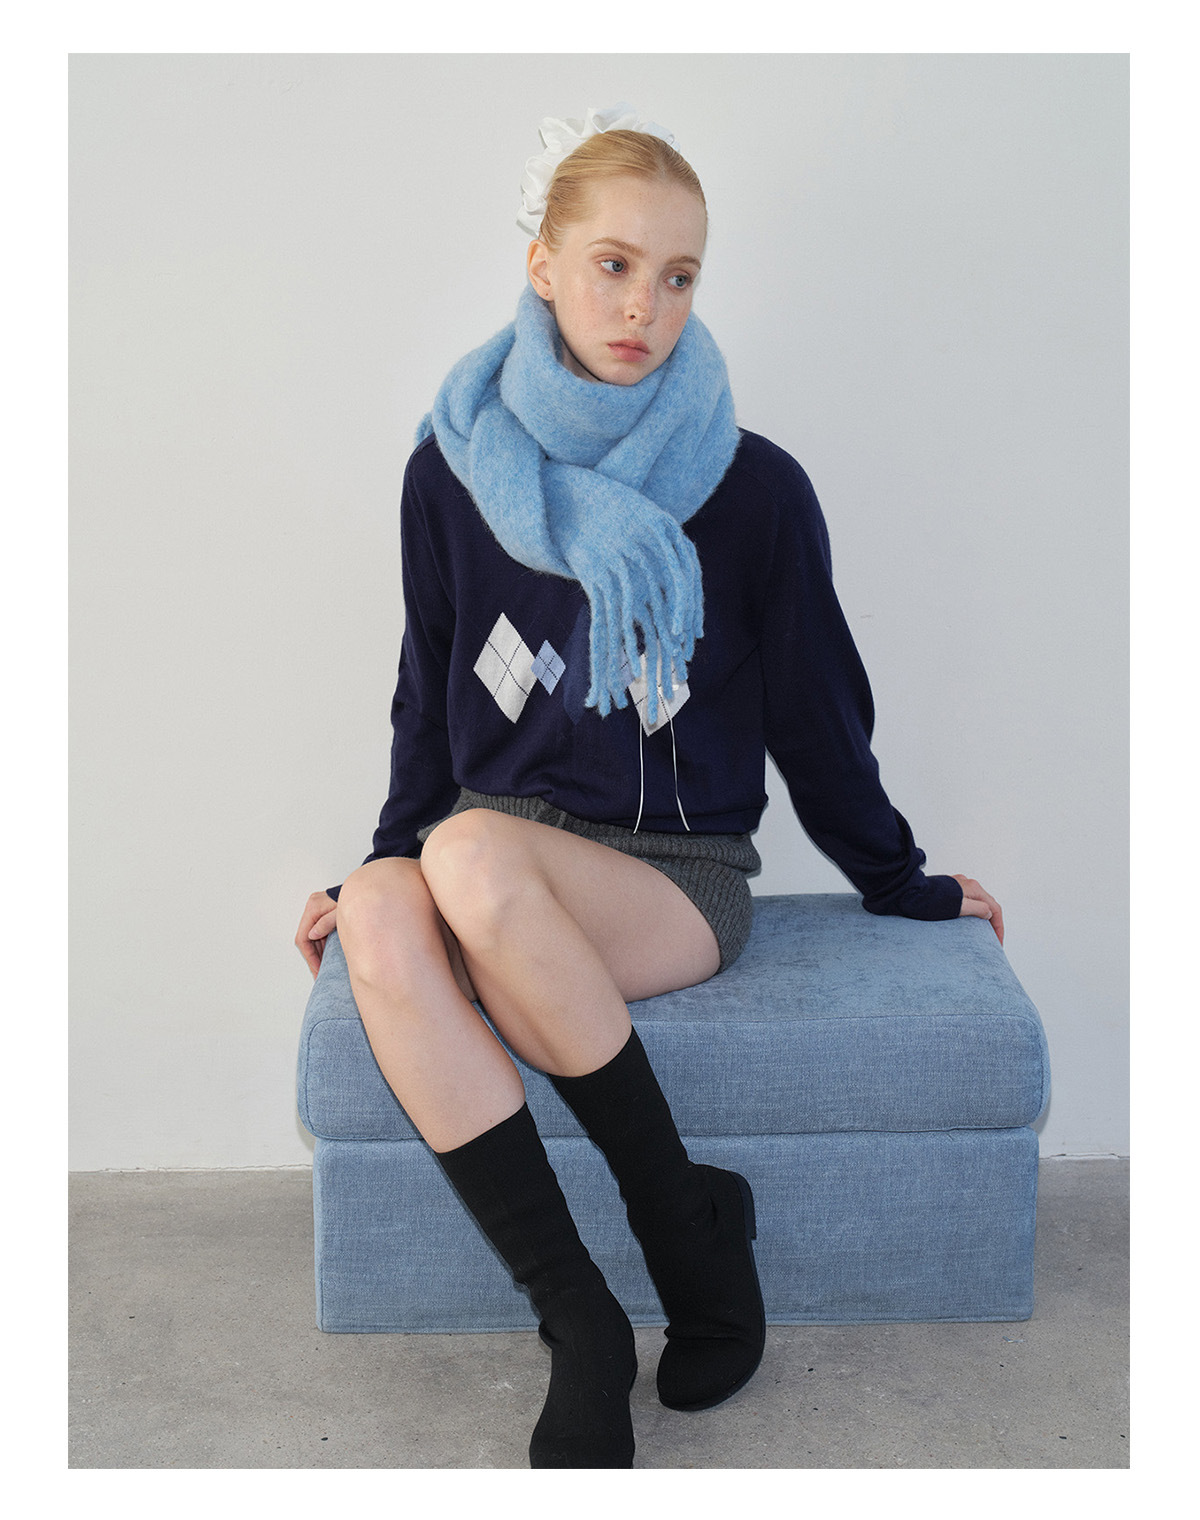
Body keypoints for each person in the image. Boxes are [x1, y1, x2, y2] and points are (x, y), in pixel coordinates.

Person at [294, 105, 1003, 1469]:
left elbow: (814, 710)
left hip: (672, 881)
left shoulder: (753, 490)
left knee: (466, 859)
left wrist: (896, 877)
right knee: (391, 900)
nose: (645, 307)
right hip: (495, 858)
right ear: (544, 264)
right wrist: (374, 855)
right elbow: (428, 687)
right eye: (614, 265)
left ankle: (682, 1230)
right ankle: (581, 1318)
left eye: (678, 277)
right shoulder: (452, 475)